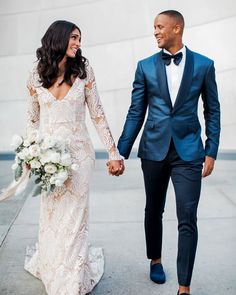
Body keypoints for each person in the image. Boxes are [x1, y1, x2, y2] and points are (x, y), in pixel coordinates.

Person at [117, 10, 220, 295]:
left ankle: (184, 287)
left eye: (160, 27)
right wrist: (120, 151)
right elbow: (136, 110)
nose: (155, 32)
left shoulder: (204, 65)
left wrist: (211, 149)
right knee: (154, 209)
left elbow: (212, 110)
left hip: (189, 152)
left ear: (177, 28)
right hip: (153, 149)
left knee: (188, 216)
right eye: (154, 27)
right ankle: (156, 260)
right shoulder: (145, 66)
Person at [23, 20, 124, 295]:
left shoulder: (84, 71)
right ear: (59, 38)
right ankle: (53, 267)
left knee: (76, 220)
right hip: (47, 158)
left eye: (80, 38)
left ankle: (71, 282)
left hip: (79, 156)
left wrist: (113, 153)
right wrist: (31, 154)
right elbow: (33, 119)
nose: (78, 43)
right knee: (53, 217)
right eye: (74, 38)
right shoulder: (35, 73)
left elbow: (98, 114)